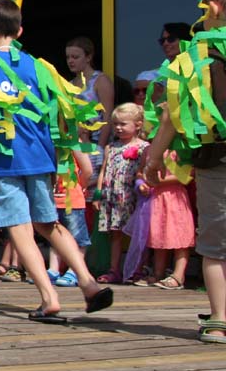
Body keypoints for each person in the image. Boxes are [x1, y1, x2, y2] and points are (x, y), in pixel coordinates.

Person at [0, 0, 112, 323]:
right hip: (40, 156)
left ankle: (49, 298)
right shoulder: (39, 67)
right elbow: (58, 114)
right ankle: (88, 281)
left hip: (2, 160)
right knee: (48, 223)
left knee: (20, 229)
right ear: (19, 31)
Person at [144, 0, 226, 344]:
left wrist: (153, 159)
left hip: (216, 160)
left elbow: (170, 116)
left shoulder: (196, 59)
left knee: (216, 247)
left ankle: (219, 320)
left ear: (213, 8)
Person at [95, 103, 148, 284]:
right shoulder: (111, 147)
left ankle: (137, 269)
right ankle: (114, 269)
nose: (118, 127)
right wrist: (99, 193)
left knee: (136, 234)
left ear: (138, 125)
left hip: (131, 196)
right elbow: (104, 170)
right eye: (116, 124)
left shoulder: (143, 147)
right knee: (115, 233)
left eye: (123, 124)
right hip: (112, 197)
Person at [129, 143, 194, 289]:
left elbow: (188, 175)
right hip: (156, 198)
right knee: (159, 235)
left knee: (180, 236)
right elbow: (140, 171)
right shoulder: (149, 149)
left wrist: (158, 181)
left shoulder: (180, 148)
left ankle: (178, 275)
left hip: (175, 196)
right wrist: (142, 183)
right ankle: (158, 273)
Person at [66, 37, 114, 175]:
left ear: (88, 57)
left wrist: (100, 147)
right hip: (76, 143)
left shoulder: (100, 80)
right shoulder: (69, 85)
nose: (70, 61)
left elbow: (107, 116)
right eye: (68, 57)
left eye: (75, 57)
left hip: (95, 141)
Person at [47, 149, 94, 287]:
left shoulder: (75, 144)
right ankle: (53, 269)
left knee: (78, 238)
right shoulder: (50, 143)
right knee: (54, 236)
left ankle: (74, 271)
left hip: (72, 200)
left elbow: (87, 170)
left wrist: (79, 186)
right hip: (53, 199)